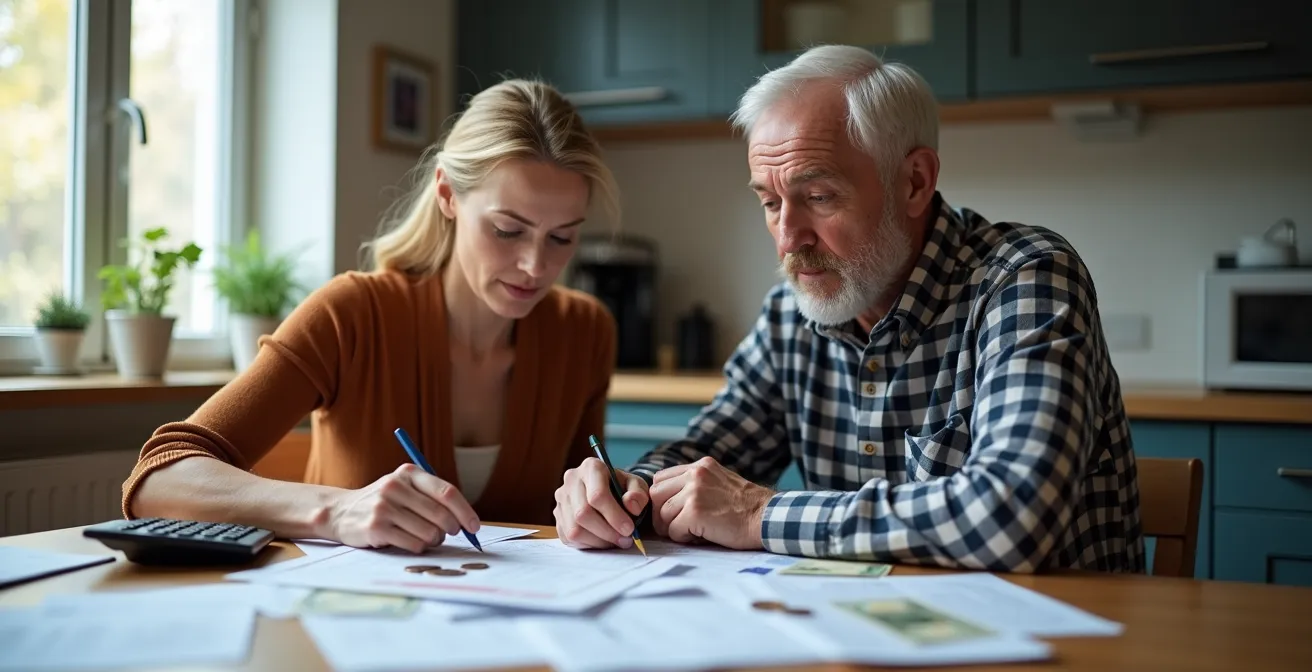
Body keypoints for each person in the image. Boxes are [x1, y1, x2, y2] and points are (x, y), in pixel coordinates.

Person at [554, 45, 1145, 574]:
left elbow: (1015, 515)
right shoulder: (795, 311)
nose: (788, 238)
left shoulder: (1025, 278)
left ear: (914, 182)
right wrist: (626, 489)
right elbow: (705, 457)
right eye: (769, 201)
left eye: (818, 196)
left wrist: (761, 514)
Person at [123, 79, 622, 554]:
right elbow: (158, 478)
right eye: (508, 230)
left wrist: (603, 501)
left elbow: (584, 494)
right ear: (447, 195)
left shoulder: (584, 331)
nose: (536, 266)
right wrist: (336, 512)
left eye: (562, 238)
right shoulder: (351, 316)